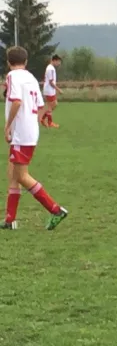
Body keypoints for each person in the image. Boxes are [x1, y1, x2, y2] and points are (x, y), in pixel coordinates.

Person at [2, 46, 68, 230]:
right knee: (13, 174)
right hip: (29, 132)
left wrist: (7, 127)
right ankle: (9, 219)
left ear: (8, 62)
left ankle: (55, 210)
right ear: (26, 62)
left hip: (21, 133)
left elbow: (16, 101)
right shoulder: (30, 77)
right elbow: (40, 105)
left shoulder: (12, 76)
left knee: (21, 176)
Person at [41, 54, 62, 128]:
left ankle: (43, 119)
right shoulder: (50, 69)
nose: (59, 63)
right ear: (54, 60)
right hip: (49, 90)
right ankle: (49, 122)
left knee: (54, 105)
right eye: (58, 61)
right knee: (51, 106)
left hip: (50, 90)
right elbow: (50, 81)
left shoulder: (50, 68)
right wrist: (58, 89)